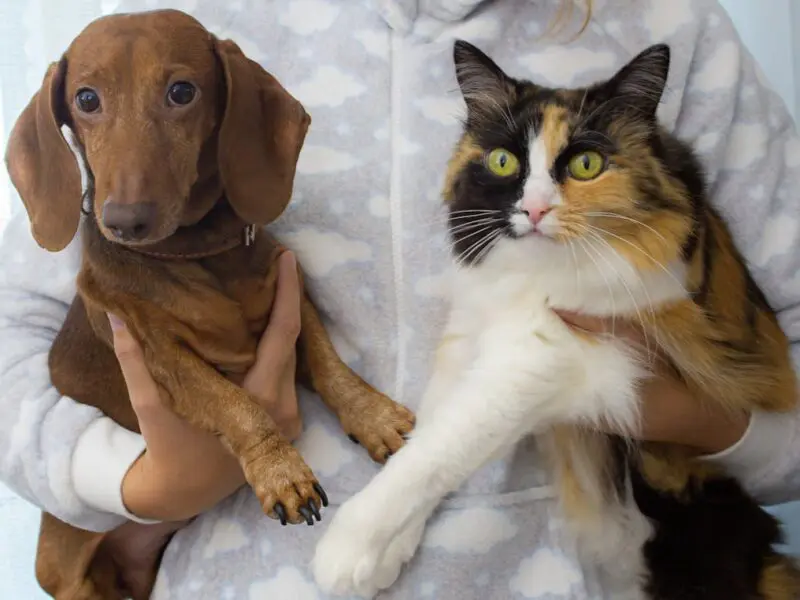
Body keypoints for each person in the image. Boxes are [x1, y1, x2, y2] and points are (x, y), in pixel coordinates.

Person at [2, 0, 800, 597]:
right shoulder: (174, 34)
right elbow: (17, 335)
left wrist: (685, 415)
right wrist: (135, 483)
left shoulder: (670, 27)